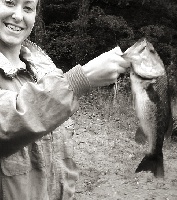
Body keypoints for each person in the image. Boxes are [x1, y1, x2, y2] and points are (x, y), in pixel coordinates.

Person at [0, 0, 130, 199]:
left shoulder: (45, 69)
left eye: (28, 8)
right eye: (9, 2)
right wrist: (78, 80)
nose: (18, 15)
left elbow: (60, 161)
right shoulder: (60, 81)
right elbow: (6, 125)